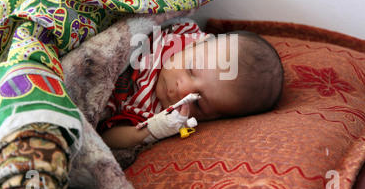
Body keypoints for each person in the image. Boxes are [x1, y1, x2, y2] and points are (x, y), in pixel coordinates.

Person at [97, 21, 284, 149]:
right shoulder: (181, 35)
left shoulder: (162, 116)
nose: (184, 89)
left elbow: (107, 138)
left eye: (198, 103)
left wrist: (152, 130)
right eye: (191, 69)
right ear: (198, 43)